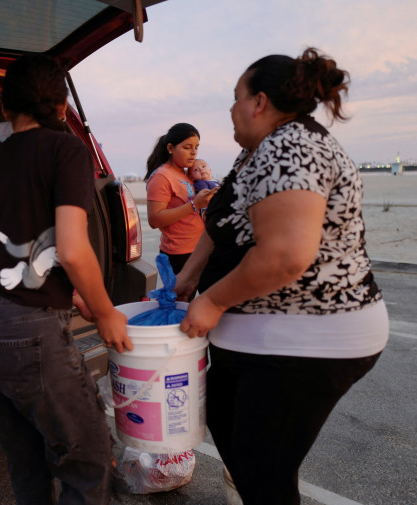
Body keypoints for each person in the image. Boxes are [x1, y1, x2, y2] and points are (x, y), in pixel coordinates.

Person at [174, 48, 389, 505]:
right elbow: (228, 215)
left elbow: (286, 255)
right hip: (261, 339)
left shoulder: (292, 145)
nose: (230, 109)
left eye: (236, 98)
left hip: (307, 338)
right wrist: (193, 271)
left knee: (262, 468)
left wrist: (212, 302)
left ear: (259, 101)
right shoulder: (254, 152)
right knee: (230, 426)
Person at [0, 53, 132, 505]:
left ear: (5, 107)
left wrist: (70, 296)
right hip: (28, 335)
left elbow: (18, 243)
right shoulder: (66, 148)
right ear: (60, 109)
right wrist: (106, 311)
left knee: (27, 468)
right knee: (89, 466)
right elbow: (73, 248)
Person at [145, 123, 216, 274]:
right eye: (187, 147)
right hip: (179, 254)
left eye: (196, 147)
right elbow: (154, 220)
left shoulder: (188, 174)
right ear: (170, 148)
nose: (193, 153)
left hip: (200, 248)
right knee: (181, 298)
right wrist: (194, 204)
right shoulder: (161, 176)